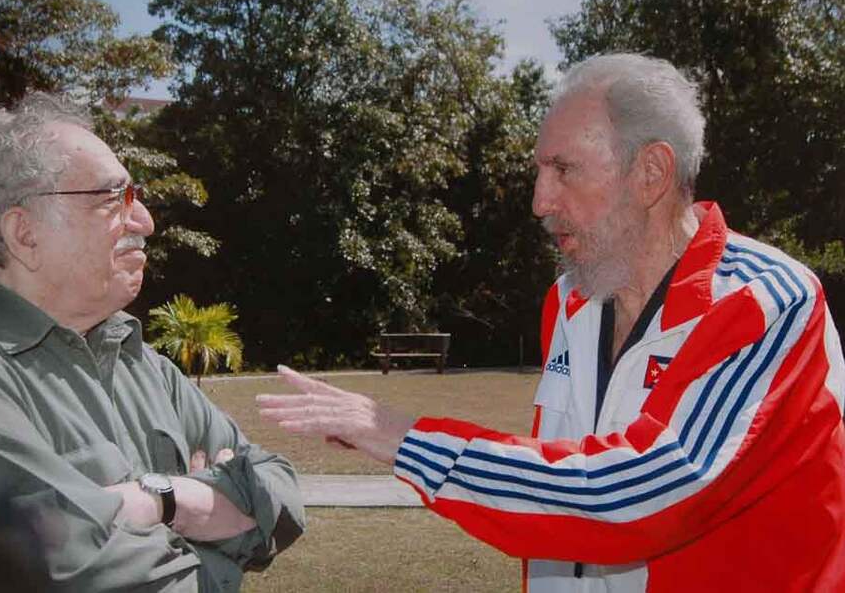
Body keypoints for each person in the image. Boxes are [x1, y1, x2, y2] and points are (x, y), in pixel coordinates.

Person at [257, 53, 845, 592]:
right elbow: (559, 477)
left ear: (651, 174)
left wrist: (404, 437)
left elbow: (637, 498)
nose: (540, 200)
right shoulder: (572, 298)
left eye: (563, 170)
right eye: (541, 171)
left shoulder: (767, 301)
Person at [0, 93, 304, 592]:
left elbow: (280, 491)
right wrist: (196, 516)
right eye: (113, 197)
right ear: (24, 233)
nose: (145, 221)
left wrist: (155, 500)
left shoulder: (141, 362)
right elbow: (69, 575)